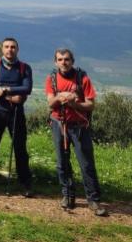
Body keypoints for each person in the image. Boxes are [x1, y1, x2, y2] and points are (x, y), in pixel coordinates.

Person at [45, 48, 107, 216]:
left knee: (86, 164)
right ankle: (67, 196)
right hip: (58, 124)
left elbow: (91, 105)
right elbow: (50, 103)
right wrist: (60, 97)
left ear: (72, 61)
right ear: (55, 62)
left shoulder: (82, 78)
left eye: (66, 59)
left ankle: (93, 200)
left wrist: (74, 104)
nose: (63, 62)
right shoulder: (51, 79)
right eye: (60, 59)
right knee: (62, 163)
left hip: (79, 127)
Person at [0, 37, 33, 196]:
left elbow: (27, 88)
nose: (10, 49)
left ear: (17, 49)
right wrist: (11, 96)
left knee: (20, 147)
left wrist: (4, 90)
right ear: (2, 49)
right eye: (7, 46)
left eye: (13, 47)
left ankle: (25, 181)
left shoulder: (24, 68)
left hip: (16, 113)